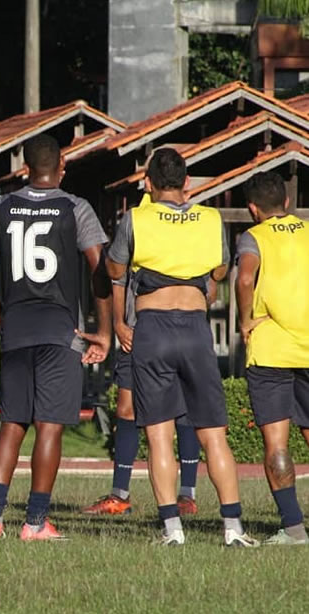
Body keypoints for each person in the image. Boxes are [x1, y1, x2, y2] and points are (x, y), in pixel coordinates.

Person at [106, 147, 257, 547]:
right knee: (214, 435)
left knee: (158, 434)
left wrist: (120, 322)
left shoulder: (135, 219)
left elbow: (115, 271)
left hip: (152, 328)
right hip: (194, 328)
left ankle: (172, 529)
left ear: (148, 184)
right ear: (188, 183)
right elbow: (221, 271)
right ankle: (233, 528)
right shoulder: (209, 219)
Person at [0, 133, 111, 541]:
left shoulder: (3, 206)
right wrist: (103, 330)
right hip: (59, 330)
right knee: (49, 425)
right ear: (61, 165)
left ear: (26, 168)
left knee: (12, 422)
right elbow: (100, 271)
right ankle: (34, 521)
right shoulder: (75, 208)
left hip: (15, 330)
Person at [83, 204, 203, 516]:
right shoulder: (135, 223)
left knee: (184, 411)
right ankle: (119, 495)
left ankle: (187, 494)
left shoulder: (193, 226)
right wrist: (120, 324)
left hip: (178, 330)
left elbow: (211, 277)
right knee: (126, 409)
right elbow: (115, 276)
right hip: (136, 333)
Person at [236, 171, 309, 545]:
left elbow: (245, 279)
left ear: (252, 208)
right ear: (286, 202)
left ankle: (294, 528)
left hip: (272, 350)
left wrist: (245, 320)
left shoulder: (253, 237)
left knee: (277, 444)